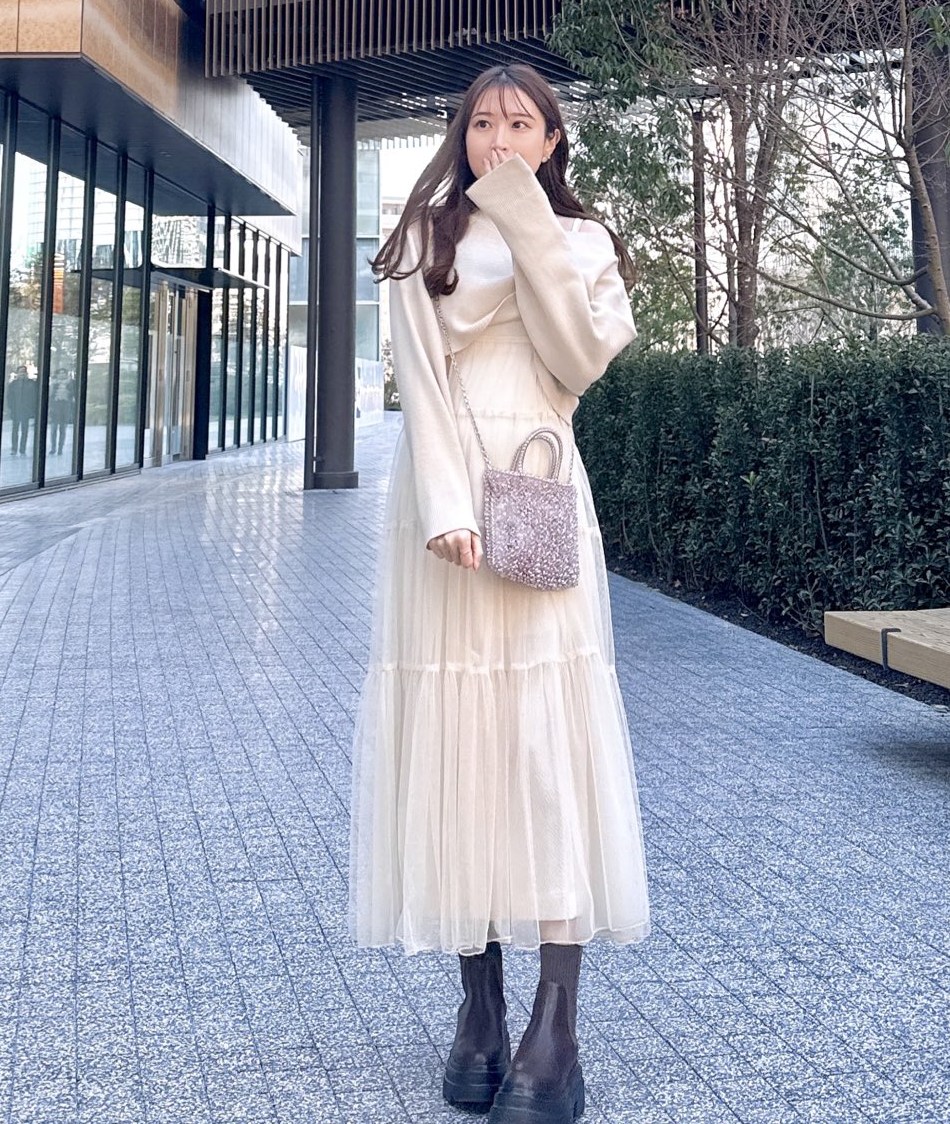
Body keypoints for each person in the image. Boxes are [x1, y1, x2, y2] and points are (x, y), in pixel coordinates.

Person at [351, 64, 649, 1124]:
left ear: (553, 139)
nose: (500, 137)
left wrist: (526, 220)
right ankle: (479, 1013)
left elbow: (577, 359)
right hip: (445, 499)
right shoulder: (421, 234)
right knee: (458, 741)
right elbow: (421, 382)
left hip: (538, 479)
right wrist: (445, 504)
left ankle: (554, 1029)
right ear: (460, 133)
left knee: (545, 742)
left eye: (522, 122)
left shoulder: (584, 241)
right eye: (483, 122)